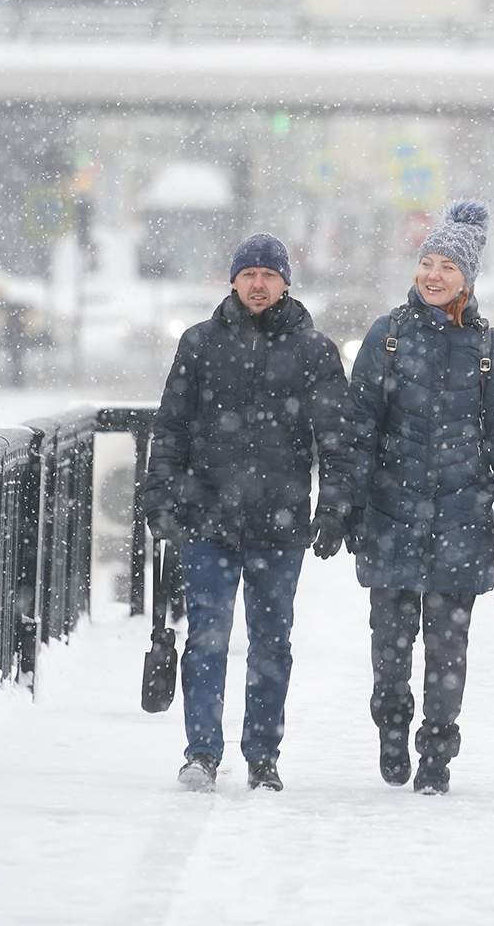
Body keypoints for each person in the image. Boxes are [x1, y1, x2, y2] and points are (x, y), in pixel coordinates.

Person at [138, 232, 356, 794]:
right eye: (249, 274)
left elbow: (336, 438)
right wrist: (159, 497)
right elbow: (172, 427)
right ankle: (202, 752)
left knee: (271, 642)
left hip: (278, 522)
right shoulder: (200, 344)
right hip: (205, 516)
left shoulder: (313, 351)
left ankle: (263, 755)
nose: (258, 284)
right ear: (233, 280)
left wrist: (334, 507)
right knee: (206, 637)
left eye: (269, 274)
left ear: (286, 282)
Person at [347, 200, 494, 796]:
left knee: (448, 653)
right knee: (390, 653)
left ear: (467, 278)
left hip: (463, 517)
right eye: (428, 261)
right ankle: (391, 728)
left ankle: (436, 750)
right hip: (392, 513)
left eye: (448, 264)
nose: (434, 274)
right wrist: (347, 502)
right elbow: (359, 427)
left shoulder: (488, 347)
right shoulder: (388, 336)